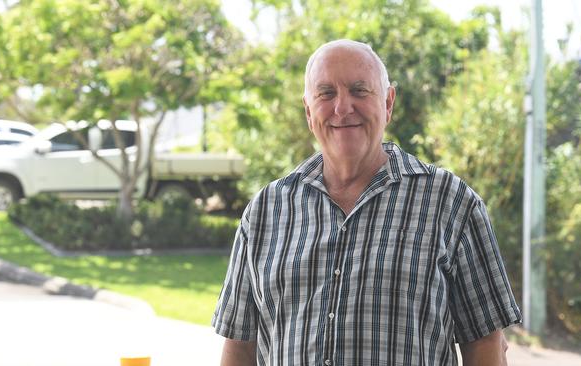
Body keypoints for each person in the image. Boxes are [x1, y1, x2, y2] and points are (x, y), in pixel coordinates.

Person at [212, 39, 522, 366]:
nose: (343, 107)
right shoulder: (265, 212)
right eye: (326, 93)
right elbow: (239, 346)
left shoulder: (451, 203)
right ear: (308, 110)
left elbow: (485, 343)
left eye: (360, 91)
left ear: (388, 103)